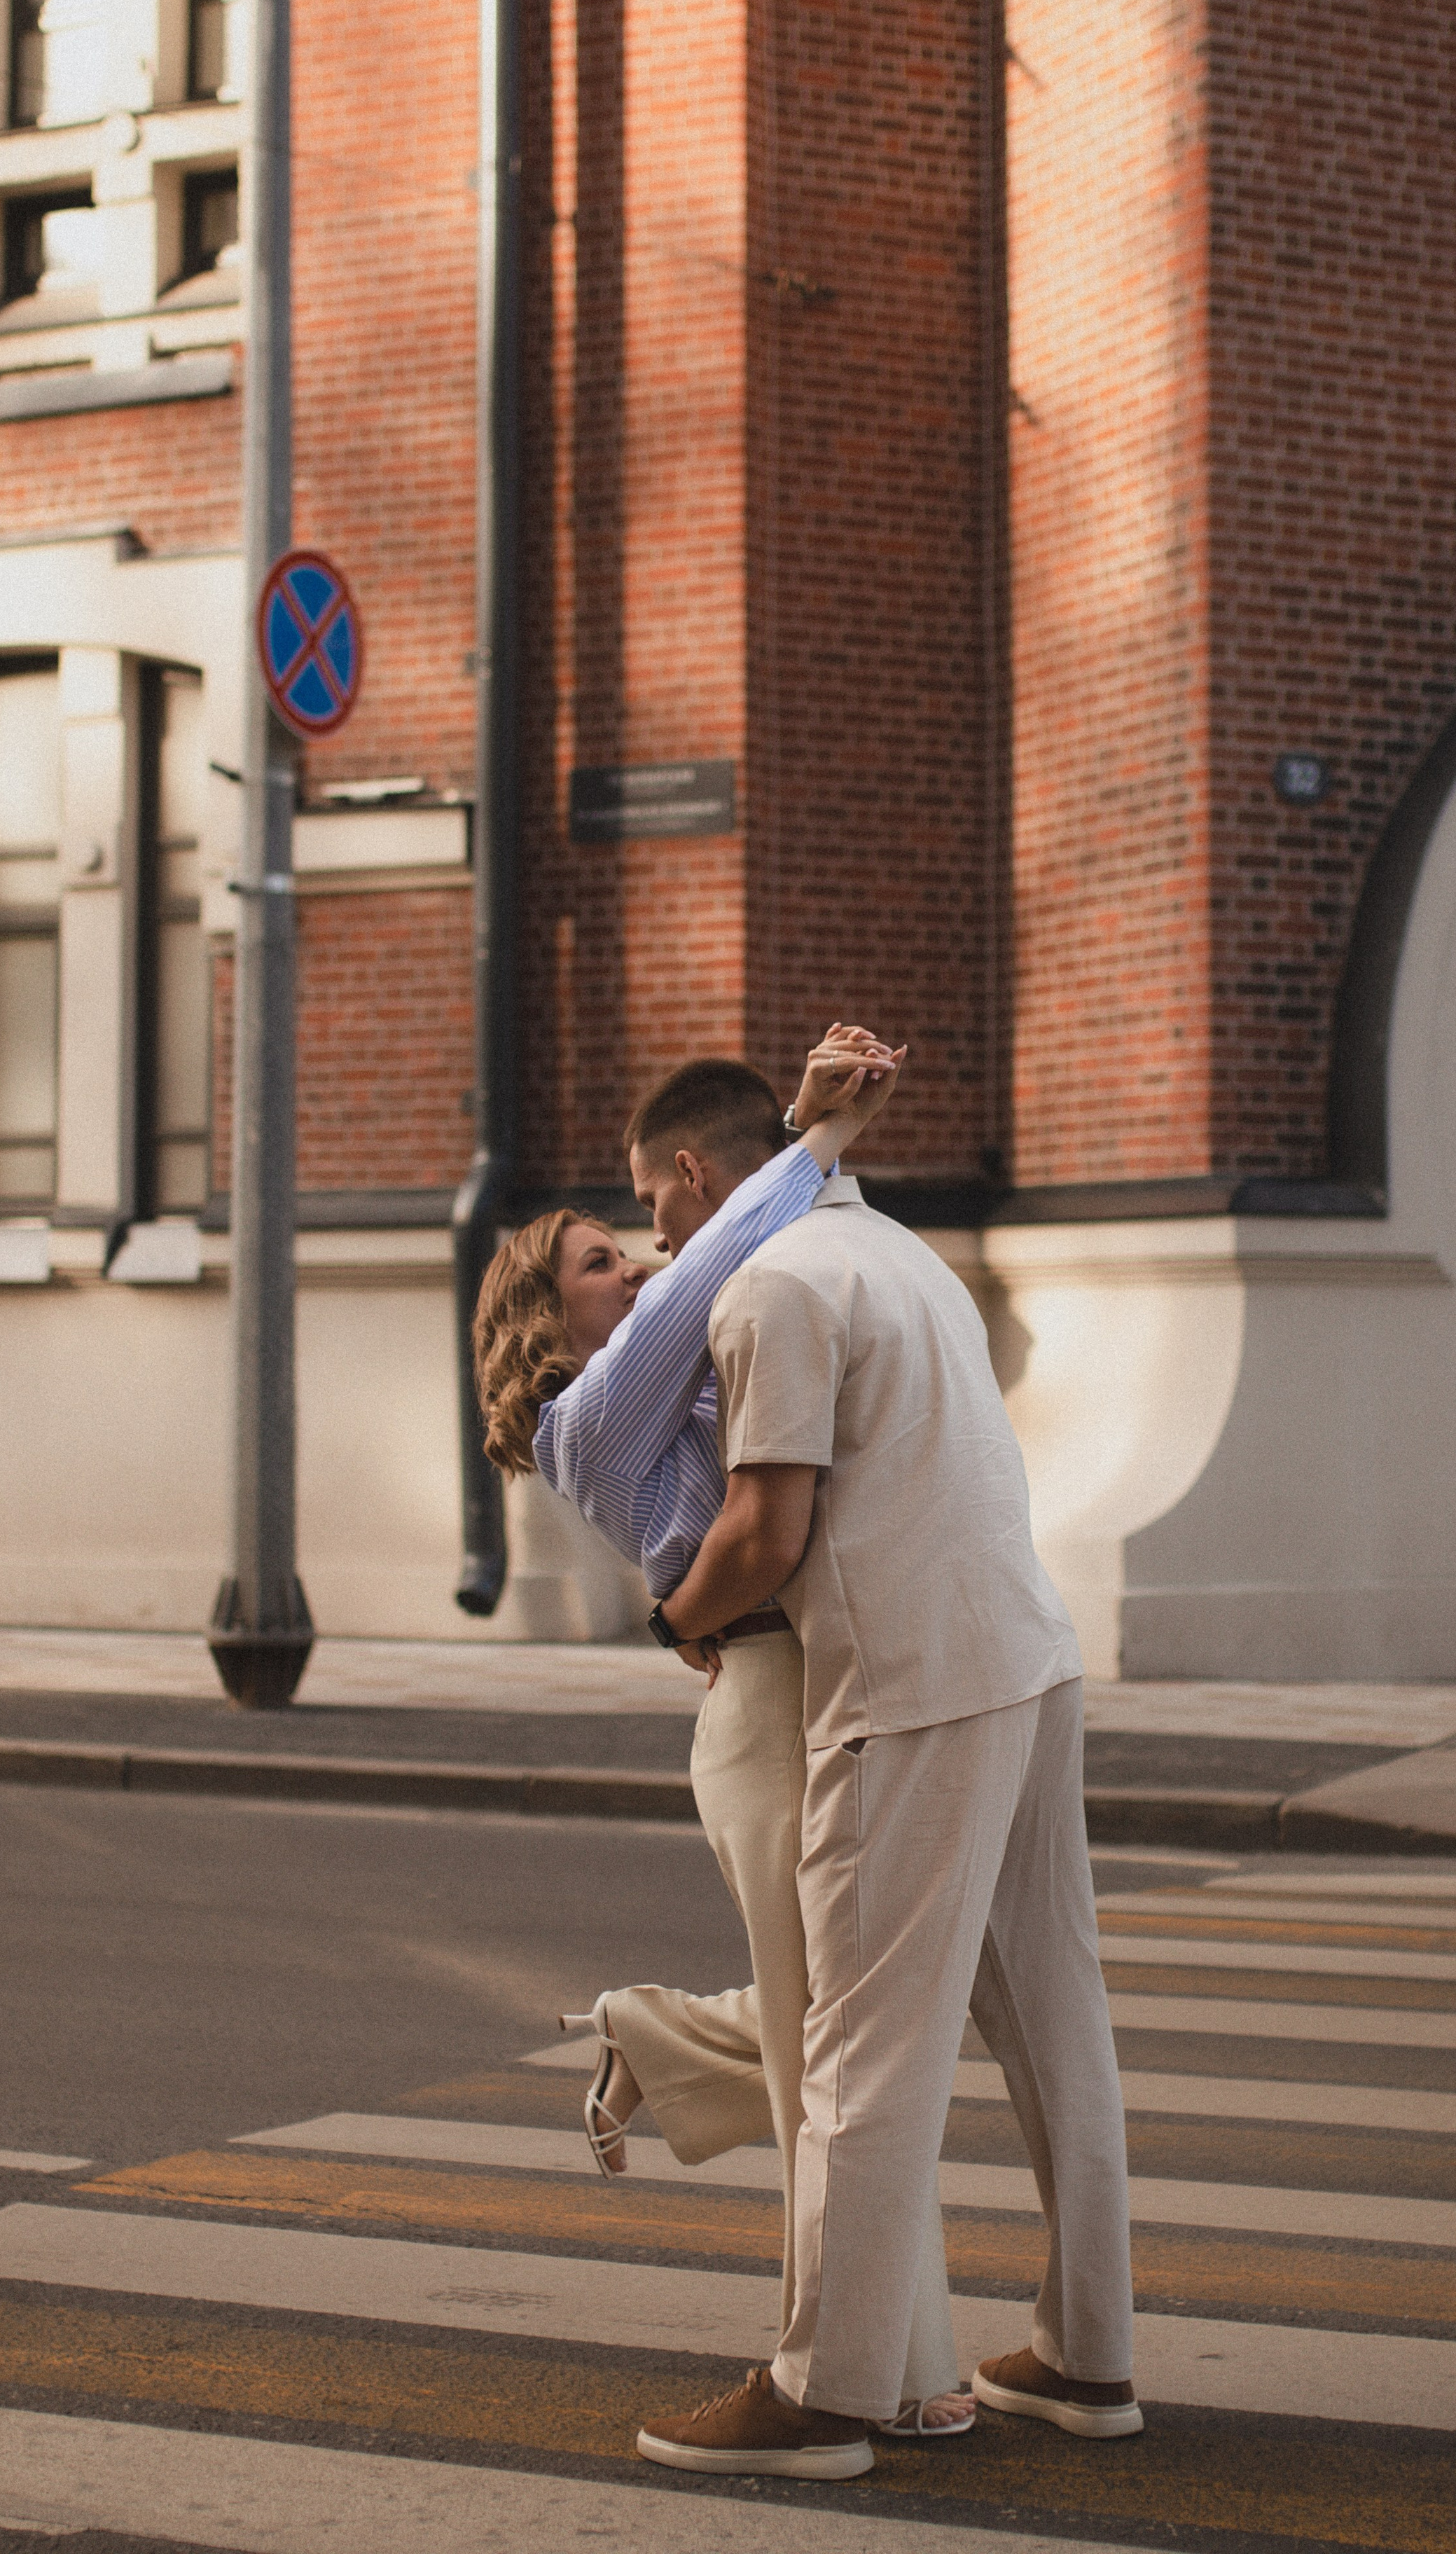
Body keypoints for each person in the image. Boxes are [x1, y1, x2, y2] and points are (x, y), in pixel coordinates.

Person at [472, 1033, 968, 2449]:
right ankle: (872, 2374)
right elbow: (706, 1281)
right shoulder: (586, 1419)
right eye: (597, 1262)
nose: (636, 1265)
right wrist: (813, 1141)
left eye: (631, 1240)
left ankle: (886, 2354)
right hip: (759, 1711)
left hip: (823, 1680)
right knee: (831, 2062)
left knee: (848, 2043)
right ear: (544, 1320)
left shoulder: (669, 1373)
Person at [632, 1150, 1139, 2480]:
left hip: (910, 1682)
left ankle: (825, 2394)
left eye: (650, 1201)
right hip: (1030, 1654)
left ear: (695, 1172)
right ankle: (1089, 2355)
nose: (654, 1239)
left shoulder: (770, 1288)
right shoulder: (908, 1254)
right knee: (1060, 2028)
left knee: (861, 2046)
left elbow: (765, 1529)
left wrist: (671, 1618)